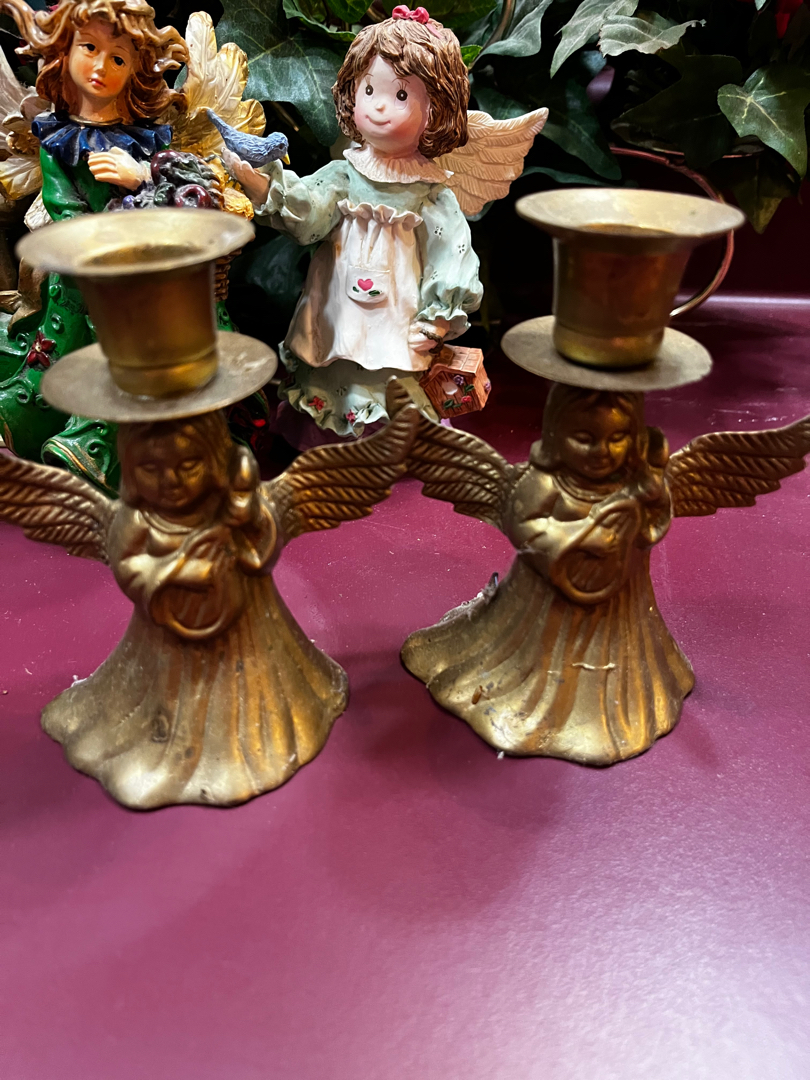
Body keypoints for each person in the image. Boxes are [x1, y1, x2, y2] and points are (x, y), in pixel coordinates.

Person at [224, 8, 483, 442]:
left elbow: (450, 252)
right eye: (369, 89)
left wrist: (437, 317)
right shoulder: (343, 175)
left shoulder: (430, 193)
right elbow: (309, 214)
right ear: (352, 92)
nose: (379, 105)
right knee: (333, 358)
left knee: (392, 374)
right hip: (335, 309)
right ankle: (327, 439)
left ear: (435, 109)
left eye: (401, 95)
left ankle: (389, 443)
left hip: (398, 316)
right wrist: (258, 180)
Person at [0, 0, 186, 488]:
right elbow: (62, 204)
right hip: (79, 266)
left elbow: (178, 191)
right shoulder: (57, 138)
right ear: (64, 52)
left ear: (136, 70)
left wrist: (138, 175)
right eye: (89, 48)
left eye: (117, 57)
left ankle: (102, 441)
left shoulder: (147, 140)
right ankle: (38, 415)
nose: (100, 67)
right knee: (63, 340)